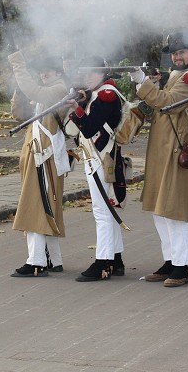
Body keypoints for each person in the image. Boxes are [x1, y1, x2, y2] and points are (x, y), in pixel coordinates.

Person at [129, 32, 188, 287]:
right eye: (174, 53)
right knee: (159, 210)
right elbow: (158, 100)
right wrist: (150, 83)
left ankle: (182, 266)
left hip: (175, 149)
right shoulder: (174, 76)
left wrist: (143, 83)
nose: (177, 57)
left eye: (181, 52)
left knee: (174, 210)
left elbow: (167, 102)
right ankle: (170, 260)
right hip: (162, 148)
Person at [8, 51, 69, 277]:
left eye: (48, 70)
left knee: (33, 209)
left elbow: (35, 91)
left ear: (58, 73)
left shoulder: (59, 90)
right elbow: (20, 114)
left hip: (45, 160)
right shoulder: (45, 95)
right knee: (43, 208)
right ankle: (54, 259)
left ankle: (36, 261)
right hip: (37, 158)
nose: (44, 73)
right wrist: (19, 88)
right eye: (42, 70)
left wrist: (18, 65)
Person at [66, 57, 126, 281]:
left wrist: (76, 108)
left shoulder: (106, 95)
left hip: (101, 157)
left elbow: (90, 128)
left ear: (102, 74)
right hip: (100, 157)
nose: (88, 77)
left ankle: (102, 262)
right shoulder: (100, 94)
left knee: (102, 211)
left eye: (92, 73)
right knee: (108, 210)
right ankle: (116, 260)